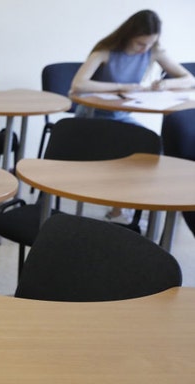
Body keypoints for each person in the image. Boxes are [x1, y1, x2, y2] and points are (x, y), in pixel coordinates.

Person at [70, 9, 195, 223]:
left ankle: (134, 202)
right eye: (140, 44)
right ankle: (119, 206)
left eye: (149, 44)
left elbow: (189, 78)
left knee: (153, 146)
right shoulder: (105, 50)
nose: (144, 49)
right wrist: (123, 86)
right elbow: (78, 85)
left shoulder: (153, 50)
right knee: (130, 145)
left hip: (120, 116)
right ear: (128, 36)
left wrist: (165, 83)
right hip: (92, 117)